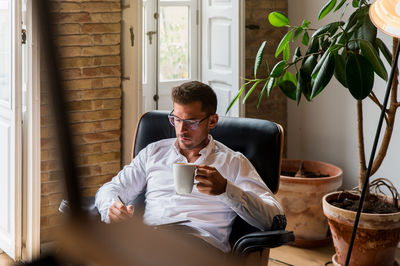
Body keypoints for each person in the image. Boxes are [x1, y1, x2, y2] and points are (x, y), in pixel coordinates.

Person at [94, 81, 284, 253]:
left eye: (191, 122)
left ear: (212, 121)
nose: (181, 130)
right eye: (176, 119)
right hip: (150, 240)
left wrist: (226, 189)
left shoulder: (233, 162)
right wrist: (112, 207)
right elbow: (110, 188)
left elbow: (274, 219)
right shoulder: (154, 152)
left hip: (199, 247)